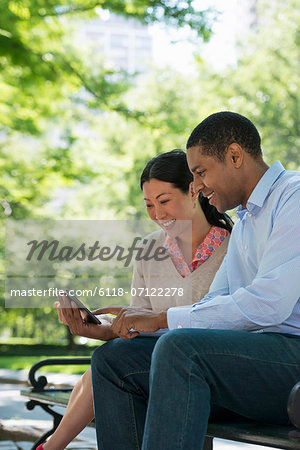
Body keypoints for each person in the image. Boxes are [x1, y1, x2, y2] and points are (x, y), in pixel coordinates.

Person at [89, 111, 300, 450]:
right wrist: (137, 323)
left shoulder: (294, 197)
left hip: (292, 363)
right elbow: (210, 307)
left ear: (234, 156)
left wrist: (161, 318)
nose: (198, 185)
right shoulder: (246, 219)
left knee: (181, 350)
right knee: (115, 359)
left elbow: (269, 304)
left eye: (201, 172)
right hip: (256, 360)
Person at [38, 149, 232, 450]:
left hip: (209, 370)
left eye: (164, 201)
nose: (157, 215)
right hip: (151, 366)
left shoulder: (234, 247)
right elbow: (143, 323)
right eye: (149, 205)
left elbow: (235, 323)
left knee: (106, 367)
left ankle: (51, 446)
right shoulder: (148, 249)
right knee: (107, 363)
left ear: (194, 190)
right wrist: (100, 329)